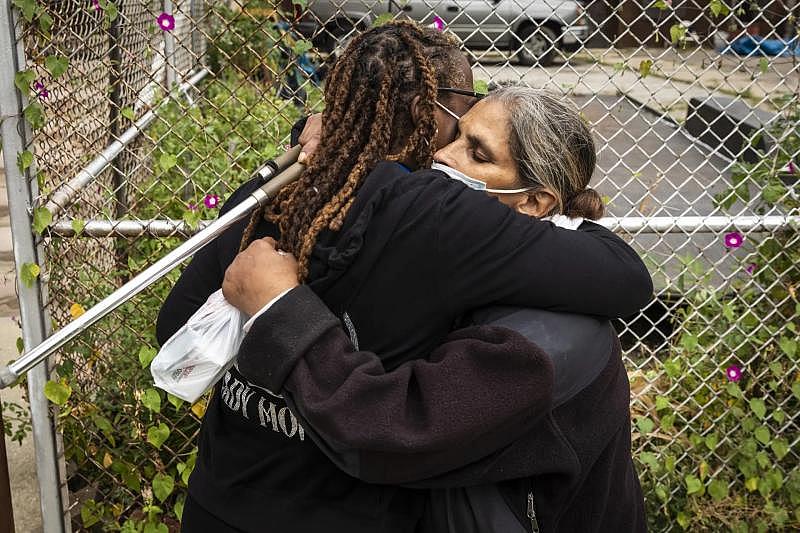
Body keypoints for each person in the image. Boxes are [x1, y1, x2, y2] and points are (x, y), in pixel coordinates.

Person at [157, 22, 652, 532]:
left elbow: (393, 426)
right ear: (429, 118)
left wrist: (277, 309)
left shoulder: (309, 186)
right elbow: (624, 273)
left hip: (223, 497)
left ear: (535, 200)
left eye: (475, 151)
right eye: (454, 134)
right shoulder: (428, 215)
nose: (443, 157)